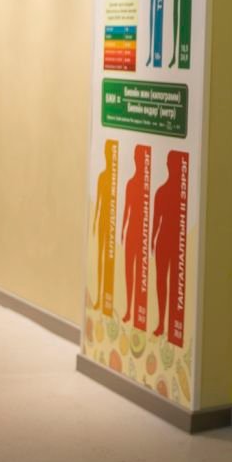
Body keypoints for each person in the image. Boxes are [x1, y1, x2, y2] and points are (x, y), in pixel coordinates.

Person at [151, 151, 185, 340]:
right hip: (164, 240)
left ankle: (169, 325)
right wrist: (152, 241)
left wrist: (152, 240)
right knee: (162, 281)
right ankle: (161, 323)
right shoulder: (162, 192)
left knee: (171, 282)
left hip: (172, 240)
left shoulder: (179, 195)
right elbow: (156, 220)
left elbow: (157, 221)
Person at [121, 145, 150, 328]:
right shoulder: (131, 184)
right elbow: (127, 210)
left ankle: (138, 313)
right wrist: (122, 230)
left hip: (140, 233)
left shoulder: (145, 187)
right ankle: (129, 309)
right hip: (131, 232)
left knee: (139, 273)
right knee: (129, 271)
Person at [90, 140, 118, 313]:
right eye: (106, 154)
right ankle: (99, 299)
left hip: (111, 222)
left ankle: (108, 301)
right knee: (100, 258)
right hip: (102, 221)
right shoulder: (102, 177)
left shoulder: (115, 179)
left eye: (109, 154)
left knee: (108, 260)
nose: (107, 157)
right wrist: (94, 221)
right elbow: (99, 203)